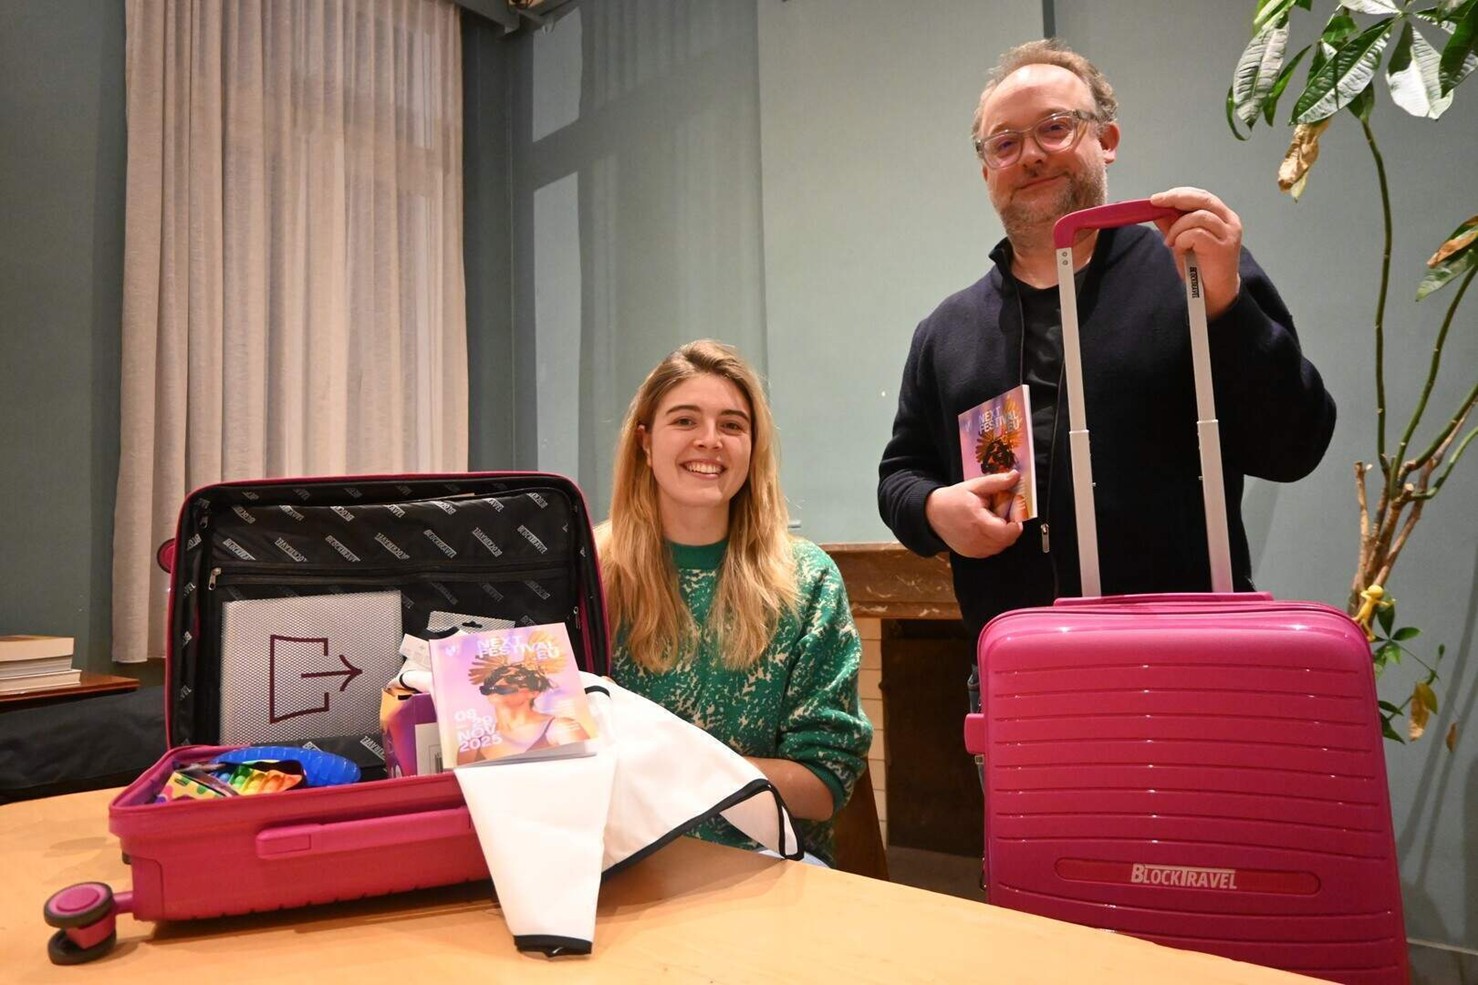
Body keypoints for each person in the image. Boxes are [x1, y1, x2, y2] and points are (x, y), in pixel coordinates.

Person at [878, 39, 1337, 651]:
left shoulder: (1194, 272)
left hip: (1188, 656)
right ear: (986, 169)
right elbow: (901, 473)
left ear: (1107, 141)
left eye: (1055, 128)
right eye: (1005, 143)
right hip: (1019, 668)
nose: (1031, 156)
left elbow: (1294, 447)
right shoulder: (949, 329)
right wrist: (936, 511)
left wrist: (1227, 306)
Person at [597, 339, 872, 867]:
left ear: (753, 446)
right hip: (620, 859)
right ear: (643, 442)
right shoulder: (591, 573)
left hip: (767, 864)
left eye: (732, 425)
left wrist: (675, 765)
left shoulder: (807, 581)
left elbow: (823, 784)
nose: (709, 441)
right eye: (684, 420)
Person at [474, 663, 588, 761]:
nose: (498, 683)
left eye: (512, 679)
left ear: (534, 692)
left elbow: (588, 769)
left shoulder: (561, 727)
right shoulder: (473, 744)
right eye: (492, 681)